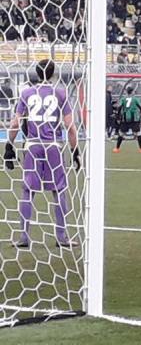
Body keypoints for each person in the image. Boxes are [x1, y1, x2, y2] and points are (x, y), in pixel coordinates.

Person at [4, 59, 80, 248]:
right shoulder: (60, 93)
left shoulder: (26, 93)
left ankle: (24, 237)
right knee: (59, 190)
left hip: (33, 146)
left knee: (27, 191)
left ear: (36, 73)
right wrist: (75, 151)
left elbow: (15, 123)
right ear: (53, 74)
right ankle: (62, 237)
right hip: (53, 146)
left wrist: (9, 146)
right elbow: (70, 126)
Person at [113, 87, 141, 153]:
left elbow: (119, 108)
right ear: (132, 92)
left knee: (121, 133)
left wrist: (118, 117)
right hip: (134, 118)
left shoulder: (123, 99)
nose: (134, 92)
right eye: (133, 91)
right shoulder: (135, 99)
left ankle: (117, 148)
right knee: (137, 133)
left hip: (125, 118)